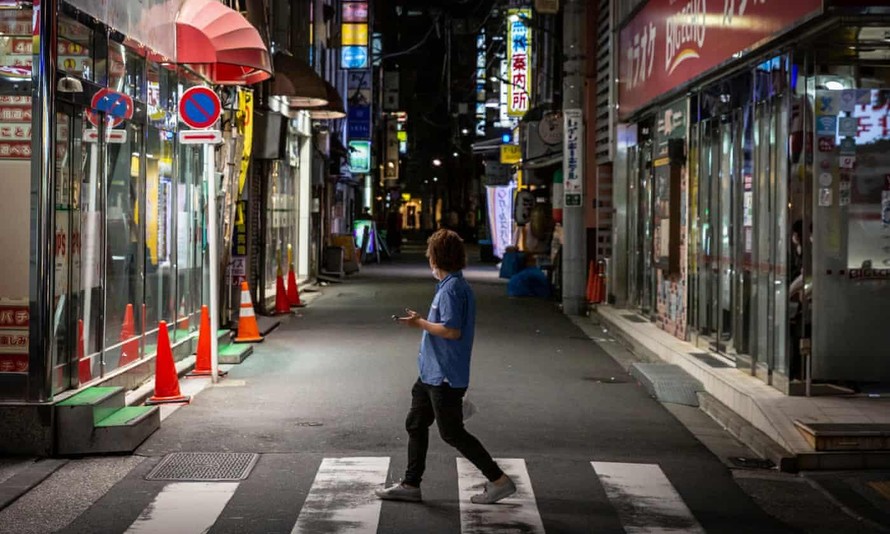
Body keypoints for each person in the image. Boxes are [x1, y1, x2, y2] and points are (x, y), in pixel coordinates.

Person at [376, 229, 516, 504]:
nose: (428, 258)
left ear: (436, 257)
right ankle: (410, 484)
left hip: (444, 376)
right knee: (416, 423)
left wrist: (420, 324)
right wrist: (421, 321)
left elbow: (452, 331)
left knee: (452, 433)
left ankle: (499, 480)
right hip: (431, 372)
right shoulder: (450, 285)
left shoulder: (452, 288)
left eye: (430, 253)